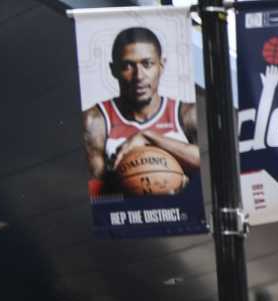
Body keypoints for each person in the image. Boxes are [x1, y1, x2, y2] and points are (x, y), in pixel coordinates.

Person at [81, 25, 199, 196]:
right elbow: (98, 194)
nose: (139, 76)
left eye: (147, 64)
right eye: (128, 66)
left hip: (178, 216)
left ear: (161, 65)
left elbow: (202, 162)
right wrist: (138, 173)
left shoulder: (186, 114)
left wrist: (147, 136)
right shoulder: (95, 120)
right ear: (113, 70)